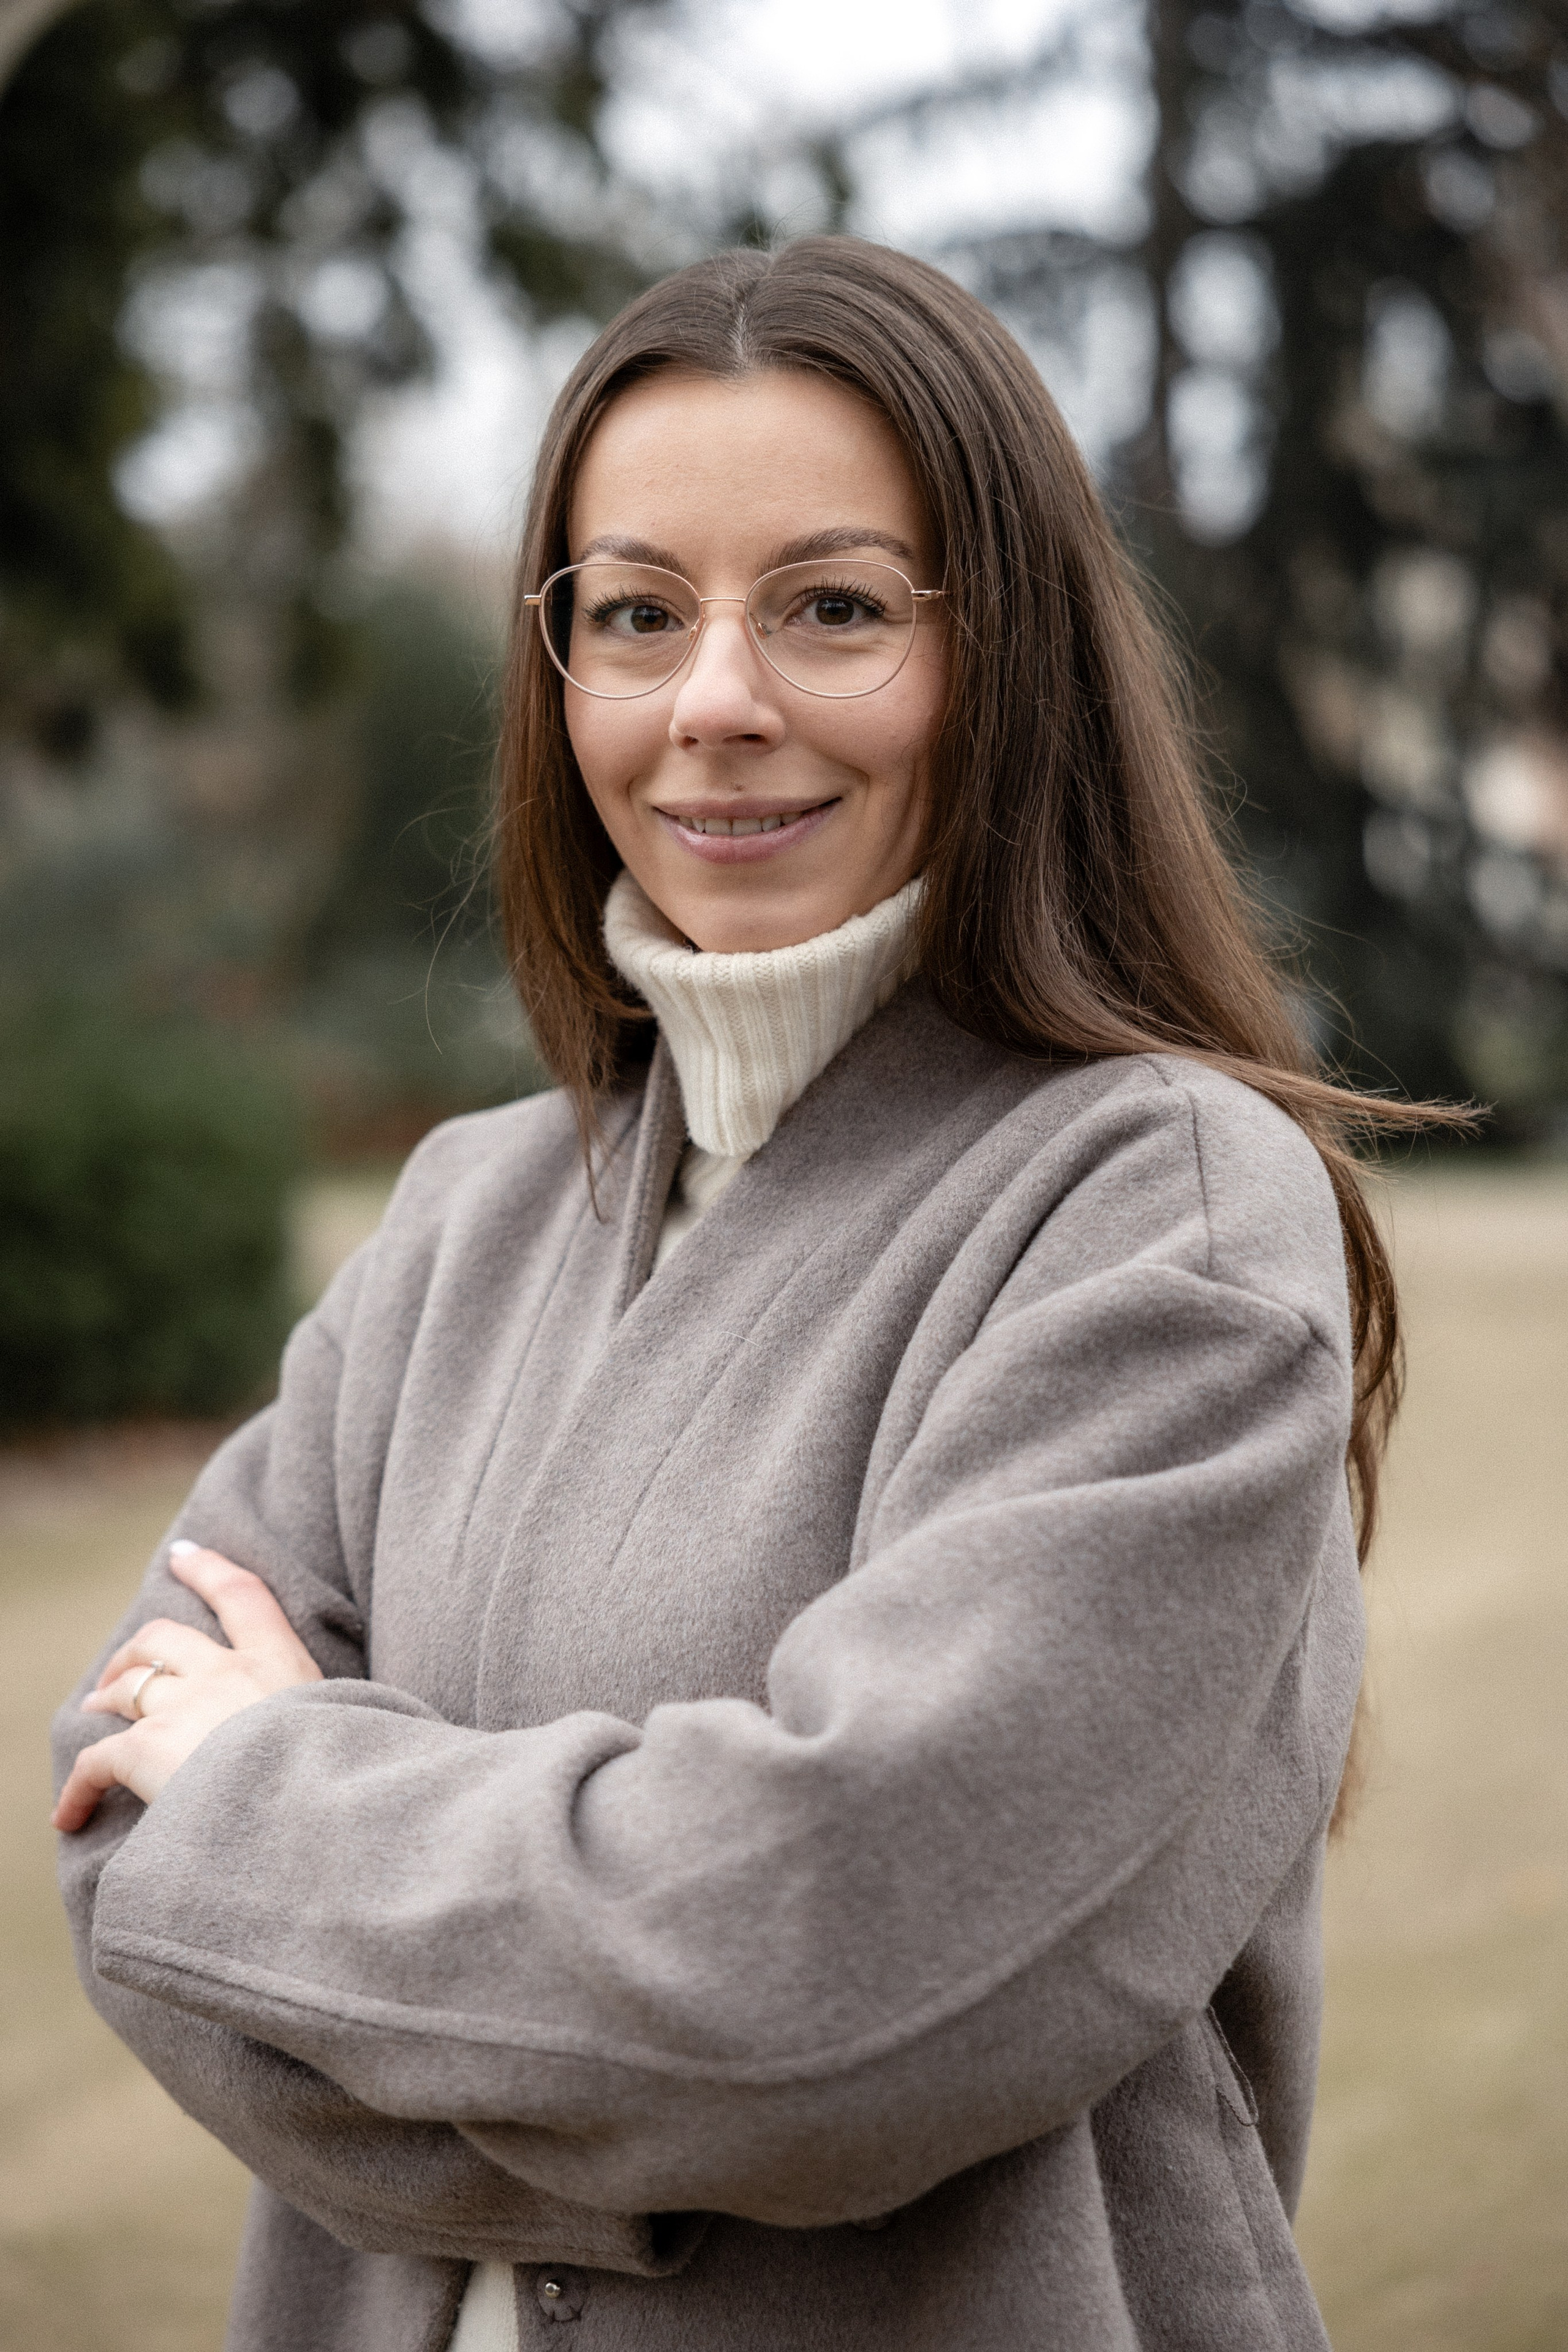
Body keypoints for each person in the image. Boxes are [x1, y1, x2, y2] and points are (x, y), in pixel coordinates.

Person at [53, 236, 1441, 2352]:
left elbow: (831, 1984)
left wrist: (276, 1815)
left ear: (1009, 660)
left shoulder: (1156, 1217)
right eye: (636, 612)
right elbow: (114, 1853)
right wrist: (644, 2058)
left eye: (836, 606)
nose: (715, 699)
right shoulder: (463, 1216)